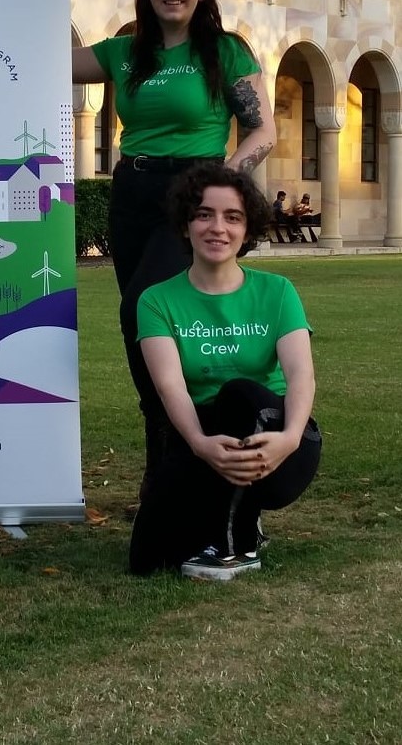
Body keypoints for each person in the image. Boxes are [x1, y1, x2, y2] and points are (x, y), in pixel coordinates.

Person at [71, 0, 276, 497]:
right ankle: (165, 437)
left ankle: (174, 436)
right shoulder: (125, 52)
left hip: (191, 191)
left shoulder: (224, 51)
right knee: (141, 316)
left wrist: (224, 184)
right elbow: (48, 61)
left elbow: (263, 129)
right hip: (132, 188)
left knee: (144, 304)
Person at [129, 162, 321, 580]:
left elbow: (301, 374)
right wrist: (198, 443)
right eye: (204, 214)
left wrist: (289, 438)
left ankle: (237, 549)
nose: (218, 227)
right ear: (185, 224)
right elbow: (169, 387)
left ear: (247, 228)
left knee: (239, 394)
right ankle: (234, 516)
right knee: (147, 560)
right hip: (206, 438)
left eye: (232, 217)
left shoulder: (277, 291)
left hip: (281, 439)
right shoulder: (156, 300)